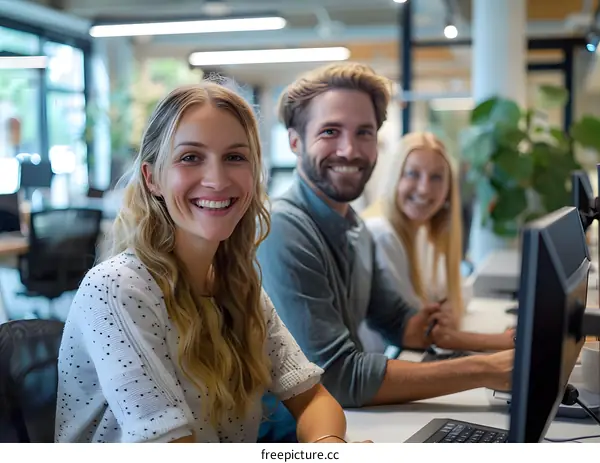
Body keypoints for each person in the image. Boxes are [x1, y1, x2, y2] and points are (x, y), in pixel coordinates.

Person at [54, 82, 350, 444]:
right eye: (191, 157)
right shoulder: (116, 287)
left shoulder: (237, 286)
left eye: (235, 157)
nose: (217, 179)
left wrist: (327, 451)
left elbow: (313, 400)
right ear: (152, 179)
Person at [256, 62, 514, 412]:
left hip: (350, 422)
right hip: (295, 439)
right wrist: (486, 369)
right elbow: (335, 377)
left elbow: (403, 325)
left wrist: (507, 345)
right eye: (330, 131)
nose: (350, 150)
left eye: (364, 133)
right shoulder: (282, 229)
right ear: (295, 142)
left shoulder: (356, 228)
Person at [361, 132, 514, 352]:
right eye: (413, 174)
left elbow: (459, 293)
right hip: (382, 368)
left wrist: (447, 310)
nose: (424, 189)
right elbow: (418, 330)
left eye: (436, 177)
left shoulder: (422, 232)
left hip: (402, 359)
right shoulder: (382, 234)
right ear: (395, 178)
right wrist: (505, 342)